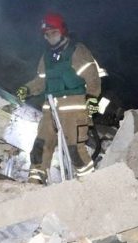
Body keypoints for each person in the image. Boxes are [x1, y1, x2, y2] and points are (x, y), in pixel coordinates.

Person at [16, 13, 102, 185]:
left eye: (54, 32)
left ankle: (90, 185)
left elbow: (93, 77)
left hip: (74, 110)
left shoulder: (77, 51)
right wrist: (27, 89)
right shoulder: (47, 56)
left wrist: (92, 98)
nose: (50, 37)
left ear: (62, 31)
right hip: (50, 109)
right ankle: (34, 184)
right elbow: (41, 80)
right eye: (47, 34)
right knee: (40, 146)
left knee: (75, 150)